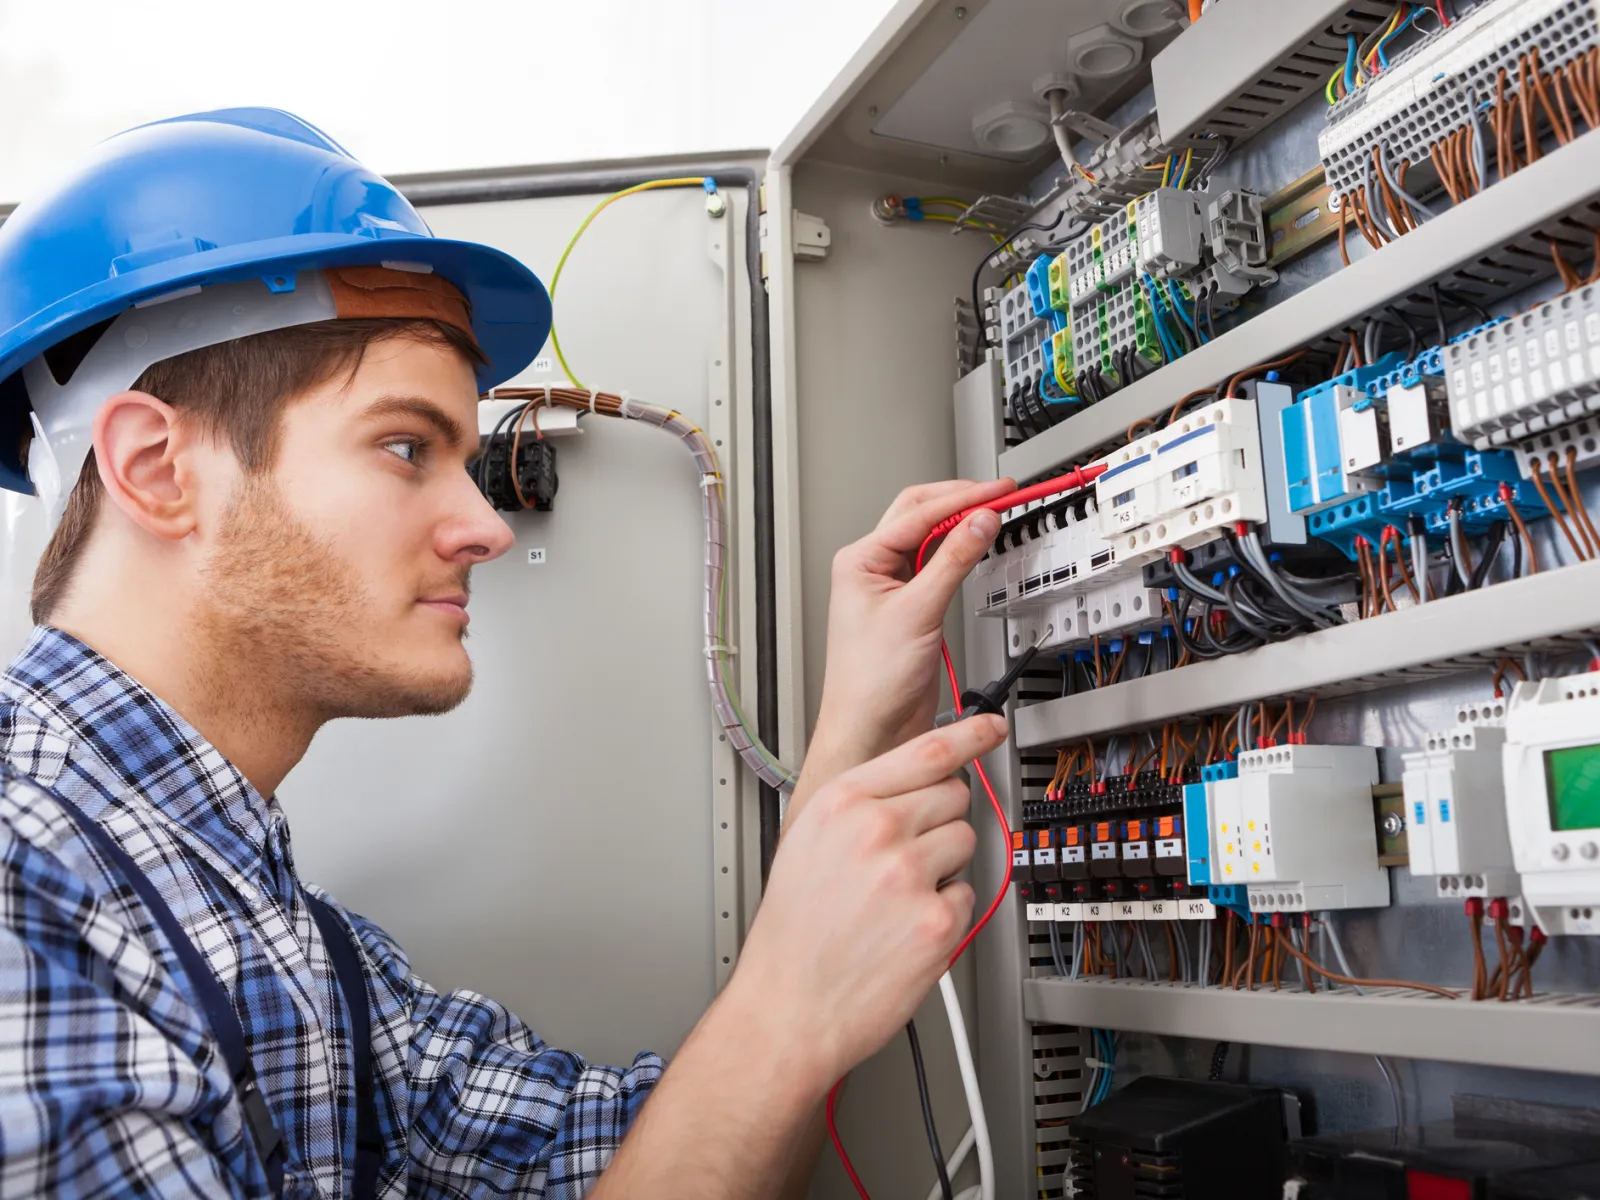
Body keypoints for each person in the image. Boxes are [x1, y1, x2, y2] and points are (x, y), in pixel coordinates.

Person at [0, 109, 1014, 1198]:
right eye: (405, 447)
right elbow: (742, 1079)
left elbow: (648, 1152)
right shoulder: (26, 885)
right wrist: (780, 1011)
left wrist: (851, 724)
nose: (484, 527)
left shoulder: (291, 937)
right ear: (157, 469)